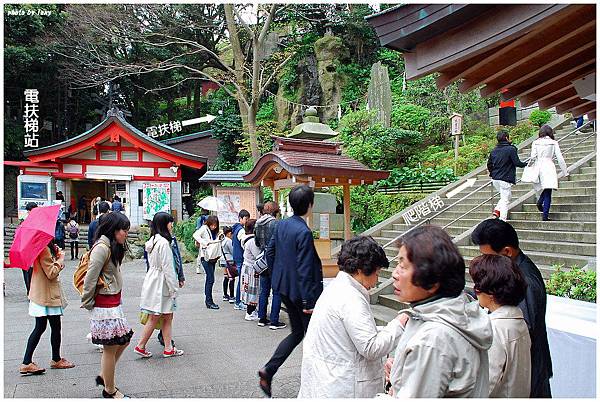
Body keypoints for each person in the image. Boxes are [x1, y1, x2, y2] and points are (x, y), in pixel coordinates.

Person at [385, 225, 492, 398]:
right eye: (397, 264)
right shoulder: (460, 311)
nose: (395, 274)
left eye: (403, 266)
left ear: (432, 281)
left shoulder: (433, 339)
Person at [299, 236, 407, 398]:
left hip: (327, 381)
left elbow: (353, 333)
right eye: (376, 274)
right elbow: (371, 348)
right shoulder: (351, 298)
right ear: (360, 270)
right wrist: (400, 322)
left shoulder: (338, 288)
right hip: (342, 386)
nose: (376, 281)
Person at [471, 219, 553, 397]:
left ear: (507, 251)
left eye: (489, 257)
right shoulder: (512, 270)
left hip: (528, 373)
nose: (486, 262)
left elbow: (522, 329)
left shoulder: (527, 282)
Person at [258, 185, 323, 398]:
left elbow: (270, 251)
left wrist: (277, 273)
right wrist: (307, 302)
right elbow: (305, 268)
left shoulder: (282, 225)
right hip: (301, 294)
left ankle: (269, 369)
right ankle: (314, 385)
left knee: (297, 333)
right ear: (310, 205)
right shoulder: (303, 231)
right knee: (313, 338)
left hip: (283, 287)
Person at [81, 212, 134, 399]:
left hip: (112, 303)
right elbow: (90, 277)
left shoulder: (110, 245)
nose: (126, 234)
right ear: (114, 230)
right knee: (110, 348)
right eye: (124, 230)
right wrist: (87, 302)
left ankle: (104, 376)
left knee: (124, 340)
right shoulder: (101, 248)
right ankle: (109, 390)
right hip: (104, 306)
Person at [469, 254, 532, 397]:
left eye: (477, 286)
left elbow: (485, 385)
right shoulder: (518, 321)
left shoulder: (494, 329)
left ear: (490, 292)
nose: (475, 291)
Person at [19, 239, 75, 375]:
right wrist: (60, 260)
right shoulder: (43, 248)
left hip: (42, 293)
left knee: (43, 327)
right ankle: (46, 360)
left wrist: (55, 254)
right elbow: (51, 272)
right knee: (49, 327)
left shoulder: (41, 246)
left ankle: (31, 361)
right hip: (46, 295)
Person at [135, 212, 184, 359]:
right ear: (164, 224)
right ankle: (141, 345)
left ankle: (168, 348)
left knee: (165, 316)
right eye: (170, 222)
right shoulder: (164, 243)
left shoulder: (154, 240)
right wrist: (174, 288)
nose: (172, 225)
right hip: (162, 284)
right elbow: (168, 268)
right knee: (157, 317)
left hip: (154, 280)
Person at [255, 201, 285, 329]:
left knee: (264, 291)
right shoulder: (276, 224)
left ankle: (262, 318)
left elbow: (256, 242)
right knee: (277, 291)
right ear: (275, 211)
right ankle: (274, 320)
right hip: (275, 260)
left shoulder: (258, 223)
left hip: (263, 260)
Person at [529, 124, 569, 221]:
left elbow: (533, 157)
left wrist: (529, 167)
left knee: (545, 189)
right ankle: (545, 214)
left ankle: (540, 204)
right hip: (549, 166)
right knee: (548, 191)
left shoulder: (535, 143)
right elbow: (560, 158)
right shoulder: (553, 142)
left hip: (538, 166)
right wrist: (565, 171)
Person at [487, 129, 527, 220]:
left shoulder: (494, 151)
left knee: (506, 196)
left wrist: (492, 173)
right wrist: (526, 164)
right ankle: (502, 220)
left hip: (495, 178)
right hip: (505, 178)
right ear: (506, 138)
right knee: (505, 199)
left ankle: (496, 211)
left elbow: (489, 164)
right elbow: (517, 163)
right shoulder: (511, 149)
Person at [193, 215, 222, 309]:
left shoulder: (215, 231)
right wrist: (204, 242)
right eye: (212, 225)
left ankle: (208, 300)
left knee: (210, 279)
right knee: (210, 279)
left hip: (213, 257)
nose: (214, 227)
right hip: (205, 256)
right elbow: (195, 235)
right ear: (209, 223)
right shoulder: (204, 228)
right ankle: (209, 301)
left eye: (215, 225)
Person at [240, 219, 261, 321]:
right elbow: (258, 255)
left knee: (248, 290)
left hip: (247, 267)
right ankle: (250, 313)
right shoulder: (252, 241)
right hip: (252, 268)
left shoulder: (245, 238)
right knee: (253, 290)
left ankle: (251, 311)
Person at [232, 210, 250, 309]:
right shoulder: (241, 230)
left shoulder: (235, 228)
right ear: (240, 218)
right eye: (245, 219)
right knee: (241, 281)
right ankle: (238, 302)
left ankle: (238, 301)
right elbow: (245, 243)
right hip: (240, 257)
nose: (247, 221)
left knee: (240, 280)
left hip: (236, 256)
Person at [21, 202, 38, 295]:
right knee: (28, 271)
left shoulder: (25, 222)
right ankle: (30, 290)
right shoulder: (27, 222)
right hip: (28, 250)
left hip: (29, 251)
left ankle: (30, 290)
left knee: (29, 272)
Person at [219, 226, 236, 303]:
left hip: (223, 259)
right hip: (229, 260)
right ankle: (232, 296)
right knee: (231, 278)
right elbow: (232, 251)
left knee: (226, 277)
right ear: (229, 233)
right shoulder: (228, 241)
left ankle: (225, 295)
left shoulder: (222, 240)